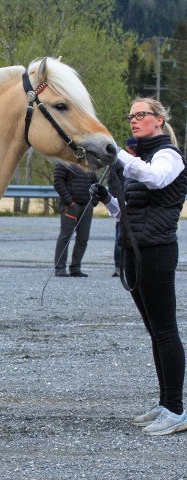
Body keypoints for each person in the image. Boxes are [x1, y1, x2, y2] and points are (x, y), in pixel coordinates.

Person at [90, 97, 187, 436]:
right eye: (130, 116)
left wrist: (119, 156)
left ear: (159, 120)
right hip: (135, 250)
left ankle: (176, 410)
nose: (134, 121)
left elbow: (158, 180)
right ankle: (166, 403)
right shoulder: (140, 158)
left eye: (141, 115)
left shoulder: (168, 157)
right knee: (155, 332)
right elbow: (129, 211)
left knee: (165, 331)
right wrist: (107, 199)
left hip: (158, 251)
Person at [53, 162, 98, 277]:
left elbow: (95, 182)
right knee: (65, 236)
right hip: (70, 206)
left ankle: (75, 267)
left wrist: (94, 201)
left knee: (83, 238)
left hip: (87, 205)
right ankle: (60, 268)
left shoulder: (88, 160)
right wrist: (69, 202)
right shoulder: (63, 160)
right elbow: (58, 182)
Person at [107, 138, 132, 277]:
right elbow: (112, 182)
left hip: (132, 200)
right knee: (119, 237)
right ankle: (118, 266)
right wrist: (117, 201)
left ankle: (128, 264)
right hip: (121, 202)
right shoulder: (117, 162)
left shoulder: (138, 161)